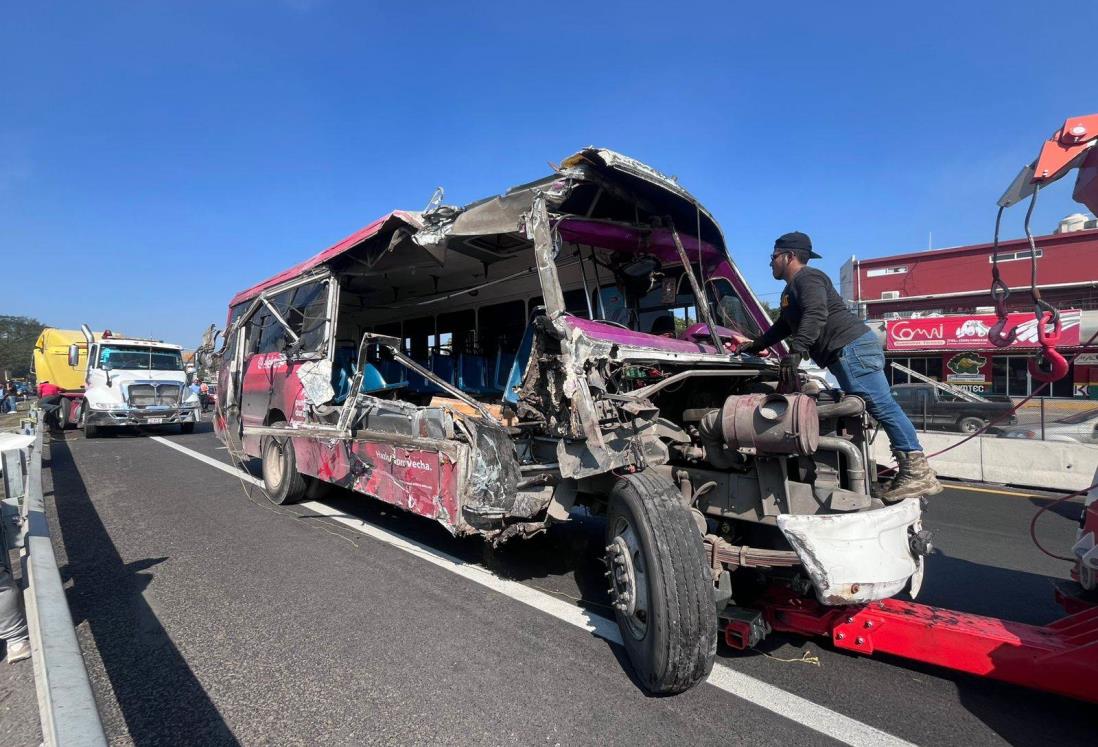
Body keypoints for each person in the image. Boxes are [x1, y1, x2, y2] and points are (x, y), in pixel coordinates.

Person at [737, 231, 942, 502]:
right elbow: (783, 327)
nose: (770, 262)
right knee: (873, 406)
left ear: (788, 256)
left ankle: (917, 471)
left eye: (773, 256)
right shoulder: (790, 291)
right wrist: (754, 345)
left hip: (852, 347)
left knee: (882, 406)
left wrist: (797, 350)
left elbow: (816, 312)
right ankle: (910, 469)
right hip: (845, 352)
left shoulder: (808, 278)